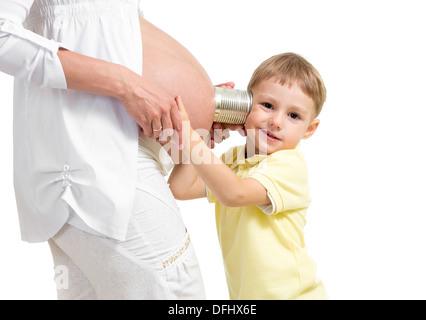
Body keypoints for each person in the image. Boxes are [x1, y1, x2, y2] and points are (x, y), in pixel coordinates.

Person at [0, 0, 233, 299]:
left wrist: (180, 111)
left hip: (116, 148)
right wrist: (128, 86)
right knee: (176, 292)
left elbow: (109, 34)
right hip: (92, 157)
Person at [168, 53, 329, 299]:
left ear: (309, 129)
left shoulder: (288, 165)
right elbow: (180, 187)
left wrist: (189, 136)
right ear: (245, 103)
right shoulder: (235, 160)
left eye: (293, 116)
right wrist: (202, 133)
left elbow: (235, 193)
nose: (276, 121)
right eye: (267, 105)